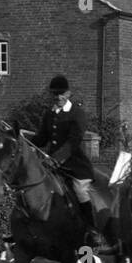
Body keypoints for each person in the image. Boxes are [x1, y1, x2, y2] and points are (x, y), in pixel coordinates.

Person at [30, 75, 101, 248]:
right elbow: (42, 138)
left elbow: (73, 141)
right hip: (52, 166)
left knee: (80, 190)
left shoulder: (77, 114)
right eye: (55, 94)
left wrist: (56, 159)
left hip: (75, 165)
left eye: (61, 94)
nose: (58, 97)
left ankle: (91, 229)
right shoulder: (49, 114)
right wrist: (24, 139)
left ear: (68, 93)